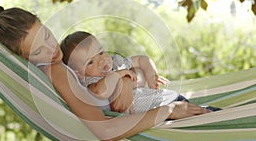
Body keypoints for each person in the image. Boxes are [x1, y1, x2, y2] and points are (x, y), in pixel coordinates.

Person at [0, 6, 211, 141]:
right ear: (24, 58)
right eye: (38, 50)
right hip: (161, 112)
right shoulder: (56, 70)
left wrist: (126, 81)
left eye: (47, 35)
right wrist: (168, 111)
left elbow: (121, 76)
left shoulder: (64, 64)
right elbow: (105, 131)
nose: (51, 49)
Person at [60, 31, 220, 114]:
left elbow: (142, 59)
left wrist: (152, 77)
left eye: (101, 52)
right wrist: (119, 75)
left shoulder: (116, 62)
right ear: (79, 73)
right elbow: (101, 92)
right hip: (160, 113)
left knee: (207, 113)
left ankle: (231, 118)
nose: (102, 61)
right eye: (90, 62)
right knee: (201, 117)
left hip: (166, 100)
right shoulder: (91, 83)